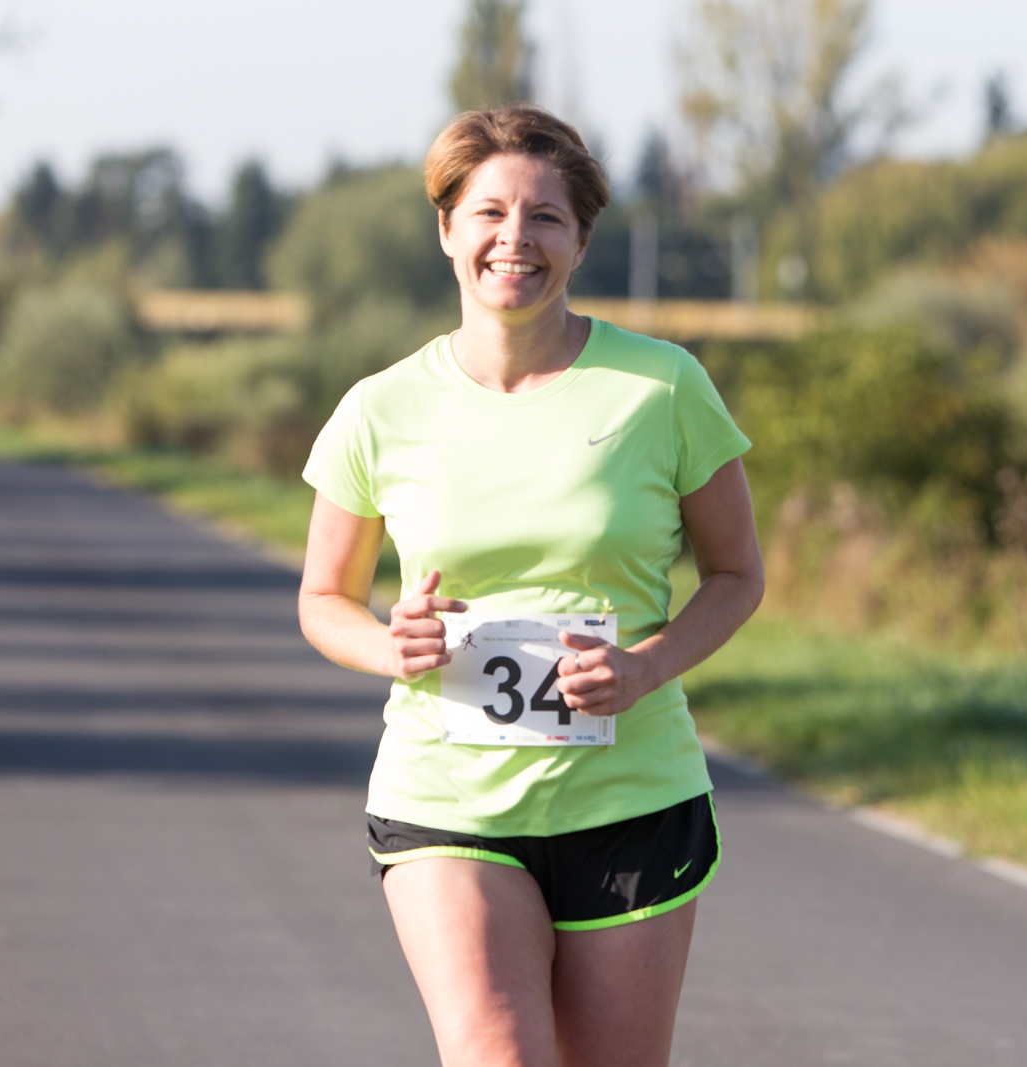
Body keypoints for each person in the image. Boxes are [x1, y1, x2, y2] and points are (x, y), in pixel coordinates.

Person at [298, 104, 764, 1067]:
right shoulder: (379, 410)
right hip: (448, 794)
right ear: (446, 229)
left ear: (582, 240)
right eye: (490, 213)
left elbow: (735, 575)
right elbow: (322, 599)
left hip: (630, 797)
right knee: (499, 1053)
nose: (516, 240)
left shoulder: (663, 388)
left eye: (547, 217)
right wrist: (391, 644)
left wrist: (642, 667)